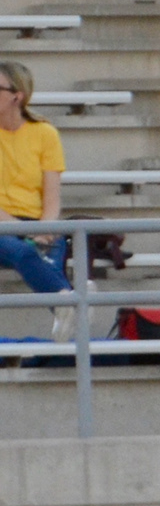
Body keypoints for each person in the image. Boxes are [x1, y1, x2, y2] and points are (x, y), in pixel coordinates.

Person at [0, 59, 72, 341]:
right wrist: (26, 231)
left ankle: (66, 309)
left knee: (54, 245)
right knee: (25, 252)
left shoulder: (45, 133)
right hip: (3, 224)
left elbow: (52, 197)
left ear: (16, 96)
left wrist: (45, 226)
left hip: (33, 222)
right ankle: (71, 301)